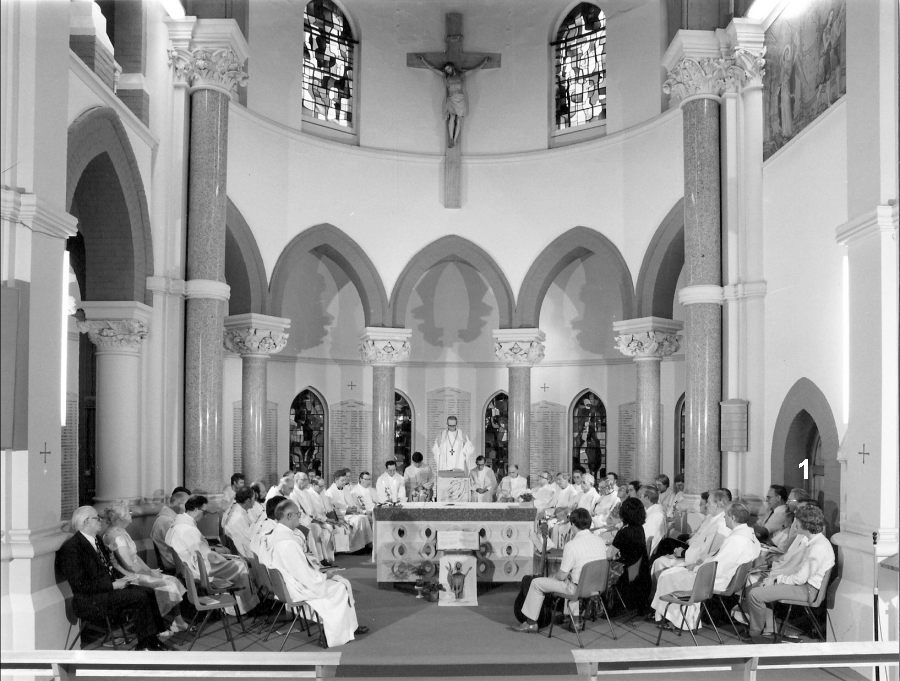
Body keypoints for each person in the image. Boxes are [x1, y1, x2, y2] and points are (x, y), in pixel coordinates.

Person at [56, 506, 170, 651]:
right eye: (97, 518)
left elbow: (108, 567)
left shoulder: (95, 539)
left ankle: (152, 639)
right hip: (90, 599)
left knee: (148, 591)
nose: (101, 521)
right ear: (86, 522)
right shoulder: (73, 548)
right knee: (139, 597)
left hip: (106, 590)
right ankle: (145, 645)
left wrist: (125, 580)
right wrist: (112, 585)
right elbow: (80, 585)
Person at [263, 499, 368, 647]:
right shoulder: (288, 543)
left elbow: (298, 568)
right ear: (288, 516)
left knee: (340, 582)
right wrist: (325, 576)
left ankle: (350, 627)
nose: (300, 517)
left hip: (289, 584)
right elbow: (305, 576)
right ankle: (330, 635)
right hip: (297, 588)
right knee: (340, 586)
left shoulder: (276, 534)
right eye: (298, 514)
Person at [651, 502, 760, 630]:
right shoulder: (749, 535)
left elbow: (718, 568)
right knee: (674, 572)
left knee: (667, 575)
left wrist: (696, 568)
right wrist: (701, 562)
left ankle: (678, 620)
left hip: (716, 581)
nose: (724, 517)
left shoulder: (736, 540)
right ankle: (679, 617)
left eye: (725, 515)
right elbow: (720, 560)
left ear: (733, 518)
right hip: (726, 579)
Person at [746, 505, 835, 642]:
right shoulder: (814, 542)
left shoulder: (818, 547)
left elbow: (800, 579)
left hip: (807, 590)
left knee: (755, 594)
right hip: (805, 586)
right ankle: (768, 631)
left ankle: (755, 634)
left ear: (805, 524)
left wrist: (776, 580)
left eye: (797, 521)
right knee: (761, 588)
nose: (794, 524)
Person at [513, 508, 608, 633]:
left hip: (577, 589)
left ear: (573, 524)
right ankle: (576, 622)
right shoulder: (600, 541)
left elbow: (562, 576)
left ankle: (530, 623)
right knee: (573, 579)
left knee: (536, 583)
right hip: (597, 587)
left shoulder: (572, 545)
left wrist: (553, 576)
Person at [102, 501, 188, 635]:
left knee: (172, 581)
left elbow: (135, 557)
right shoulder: (117, 536)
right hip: (127, 576)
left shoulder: (121, 532)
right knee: (167, 583)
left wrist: (150, 570)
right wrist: (149, 574)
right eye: (128, 512)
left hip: (135, 572)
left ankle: (176, 621)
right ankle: (160, 624)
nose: (131, 514)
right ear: (120, 518)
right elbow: (128, 564)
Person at [165, 495, 258, 615]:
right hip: (199, 569)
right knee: (240, 565)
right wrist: (224, 557)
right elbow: (208, 557)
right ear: (195, 510)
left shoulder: (177, 525)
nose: (204, 516)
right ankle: (242, 608)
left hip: (190, 566)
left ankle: (236, 605)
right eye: (204, 512)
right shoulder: (188, 530)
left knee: (234, 561)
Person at [651, 489, 731, 577]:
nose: (706, 505)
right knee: (660, 560)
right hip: (692, 556)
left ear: (717, 505)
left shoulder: (720, 526)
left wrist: (683, 553)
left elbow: (705, 554)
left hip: (696, 564)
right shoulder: (714, 520)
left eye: (708, 502)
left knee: (659, 562)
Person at [416, 56, 490, 148]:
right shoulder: (445, 77)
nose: (447, 71)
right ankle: (451, 138)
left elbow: (474, 70)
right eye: (446, 70)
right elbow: (433, 69)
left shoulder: (461, 75)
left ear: (452, 67)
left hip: (460, 98)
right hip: (451, 98)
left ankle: (455, 139)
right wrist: (423, 60)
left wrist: (484, 62)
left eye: (448, 68)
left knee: (459, 119)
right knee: (451, 117)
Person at [608, 497, 652, 613]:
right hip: (639, 571)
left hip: (625, 572)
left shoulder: (624, 532)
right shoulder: (640, 529)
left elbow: (609, 555)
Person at [291, 471, 336, 565]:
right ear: (296, 480)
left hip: (311, 519)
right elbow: (298, 512)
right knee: (316, 528)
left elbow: (313, 510)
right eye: (304, 480)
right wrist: (314, 520)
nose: (307, 482)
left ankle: (324, 558)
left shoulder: (306, 493)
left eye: (307, 480)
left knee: (323, 528)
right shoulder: (293, 494)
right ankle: (319, 559)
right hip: (301, 522)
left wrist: (321, 520)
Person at [325, 469, 373, 553]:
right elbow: (331, 509)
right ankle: (354, 548)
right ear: (336, 480)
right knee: (359, 520)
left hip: (350, 514)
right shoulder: (330, 492)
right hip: (340, 516)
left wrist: (355, 509)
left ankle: (365, 545)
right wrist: (346, 511)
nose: (344, 482)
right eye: (342, 480)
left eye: (345, 480)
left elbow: (352, 504)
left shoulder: (345, 490)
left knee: (364, 518)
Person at [150, 489, 189, 571]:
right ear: (180, 504)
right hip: (174, 563)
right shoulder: (167, 521)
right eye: (188, 505)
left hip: (177, 559)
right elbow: (178, 547)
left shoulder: (170, 518)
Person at [222, 486, 256, 558]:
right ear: (248, 500)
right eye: (254, 499)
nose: (255, 502)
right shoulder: (238, 517)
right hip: (242, 554)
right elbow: (246, 542)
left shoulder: (236, 509)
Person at [639, 484, 666, 554]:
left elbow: (647, 538)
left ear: (647, 498)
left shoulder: (656, 515)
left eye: (640, 496)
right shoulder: (647, 510)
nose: (638, 499)